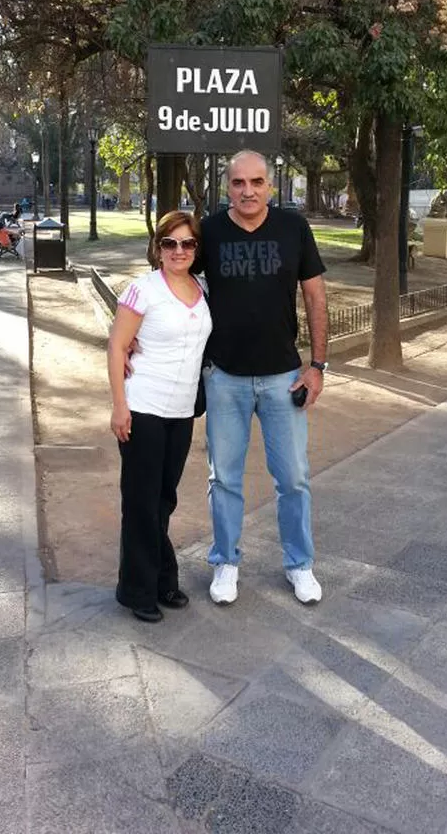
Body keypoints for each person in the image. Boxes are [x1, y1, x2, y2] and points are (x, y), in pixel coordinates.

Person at [198, 150, 328, 607]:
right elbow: (178, 282)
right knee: (224, 478)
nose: (247, 191)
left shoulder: (293, 228)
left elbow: (315, 296)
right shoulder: (209, 231)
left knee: (293, 478)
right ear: (227, 186)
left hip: (284, 378)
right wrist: (135, 333)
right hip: (225, 377)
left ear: (270, 186)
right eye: (238, 183)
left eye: (257, 182)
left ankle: (299, 565)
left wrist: (318, 365)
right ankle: (226, 562)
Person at [107, 210, 212, 623]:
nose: (179, 251)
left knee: (163, 500)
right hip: (143, 408)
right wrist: (120, 405)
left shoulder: (203, 290)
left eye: (187, 243)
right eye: (170, 243)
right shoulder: (142, 290)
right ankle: (137, 589)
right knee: (140, 501)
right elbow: (117, 346)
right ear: (158, 248)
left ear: (196, 249)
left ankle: (163, 579)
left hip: (181, 410)